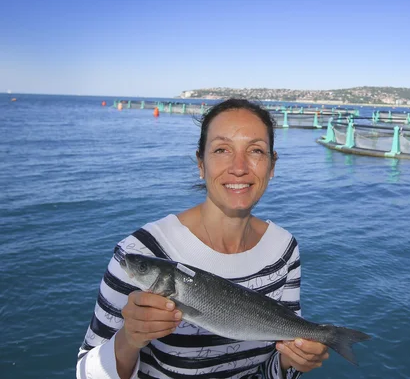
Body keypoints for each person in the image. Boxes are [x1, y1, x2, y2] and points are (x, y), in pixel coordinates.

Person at [77, 98, 329, 379]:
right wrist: (129, 340)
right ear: (200, 163)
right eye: (222, 149)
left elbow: (271, 370)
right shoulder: (140, 252)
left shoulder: (285, 249)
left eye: (256, 150)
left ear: (271, 166)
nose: (239, 166)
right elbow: (86, 373)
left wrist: (292, 362)